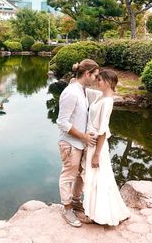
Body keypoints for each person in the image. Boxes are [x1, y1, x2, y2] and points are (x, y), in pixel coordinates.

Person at [82, 69, 131, 226]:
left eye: (100, 80)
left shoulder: (108, 101)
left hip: (97, 145)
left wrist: (97, 154)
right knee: (95, 177)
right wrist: (78, 73)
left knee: (99, 177)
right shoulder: (100, 96)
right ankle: (95, 212)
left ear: (109, 82)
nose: (98, 82)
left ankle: (100, 214)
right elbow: (84, 89)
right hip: (91, 142)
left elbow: (103, 130)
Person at [57, 59, 101, 228]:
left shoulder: (82, 90)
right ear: (87, 74)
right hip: (70, 143)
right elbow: (62, 122)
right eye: (95, 76)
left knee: (80, 174)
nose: (96, 79)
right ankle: (67, 208)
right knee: (68, 175)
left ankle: (76, 202)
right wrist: (83, 136)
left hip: (80, 142)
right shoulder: (71, 92)